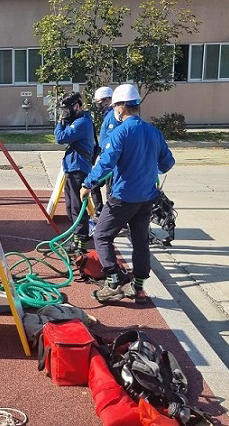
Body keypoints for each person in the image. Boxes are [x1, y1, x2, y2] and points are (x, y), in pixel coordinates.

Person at [80, 84, 175, 304]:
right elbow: (167, 163)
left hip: (123, 196)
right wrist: (148, 166)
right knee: (140, 241)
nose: (114, 110)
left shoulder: (121, 131)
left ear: (121, 107)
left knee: (102, 235)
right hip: (147, 197)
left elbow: (106, 162)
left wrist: (87, 184)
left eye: (115, 106)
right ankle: (138, 288)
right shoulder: (153, 131)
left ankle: (113, 281)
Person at [54, 91, 96, 254]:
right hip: (72, 167)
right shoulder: (78, 121)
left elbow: (60, 138)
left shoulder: (82, 123)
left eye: (67, 110)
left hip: (79, 168)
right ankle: (76, 239)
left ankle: (81, 243)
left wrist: (60, 122)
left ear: (77, 106)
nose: (65, 113)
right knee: (71, 207)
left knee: (77, 208)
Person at [90, 86, 114, 215]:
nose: (97, 106)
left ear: (107, 101)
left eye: (99, 103)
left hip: (110, 163)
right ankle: (100, 213)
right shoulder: (108, 116)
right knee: (95, 186)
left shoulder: (112, 116)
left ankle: (110, 218)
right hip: (106, 159)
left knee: (110, 193)